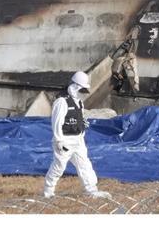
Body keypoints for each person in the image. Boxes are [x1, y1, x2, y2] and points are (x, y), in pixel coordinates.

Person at [43, 71, 110, 200]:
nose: (82, 93)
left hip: (78, 140)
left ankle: (91, 190)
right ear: (74, 87)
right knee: (59, 166)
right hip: (65, 141)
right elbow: (56, 122)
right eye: (81, 89)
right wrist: (59, 140)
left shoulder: (79, 102)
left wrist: (82, 127)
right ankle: (48, 192)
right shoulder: (62, 102)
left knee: (84, 164)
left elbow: (81, 117)